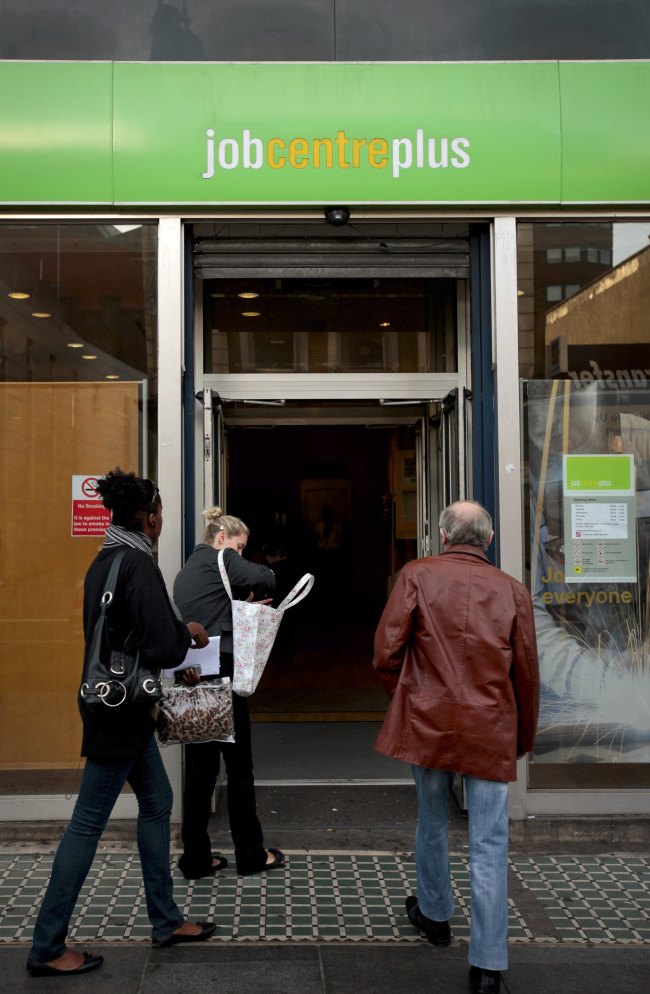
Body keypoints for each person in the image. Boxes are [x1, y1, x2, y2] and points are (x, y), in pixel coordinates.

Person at [26, 469, 216, 978]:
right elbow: (160, 642)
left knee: (157, 801)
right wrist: (188, 635)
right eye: (160, 514)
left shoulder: (106, 559)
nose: (161, 521)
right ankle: (46, 946)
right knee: (88, 822)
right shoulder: (137, 562)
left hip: (115, 704)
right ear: (150, 517)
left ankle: (166, 921)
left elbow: (125, 636)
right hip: (121, 714)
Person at [373, 501, 539, 994]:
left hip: (429, 720)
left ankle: (435, 914)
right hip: (490, 727)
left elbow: (386, 654)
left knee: (432, 819)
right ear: (487, 540)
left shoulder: (417, 574)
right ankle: (488, 966)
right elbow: (526, 676)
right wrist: (521, 736)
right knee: (490, 842)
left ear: (444, 537)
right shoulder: (513, 590)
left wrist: (410, 697)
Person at [173, 506, 285, 878]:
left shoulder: (185, 573)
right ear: (222, 539)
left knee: (201, 772)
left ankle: (196, 859)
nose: (238, 556)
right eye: (238, 548)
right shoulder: (220, 557)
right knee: (239, 768)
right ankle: (251, 854)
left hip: (196, 677)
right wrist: (262, 570)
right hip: (224, 675)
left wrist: (240, 606)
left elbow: (211, 610)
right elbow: (264, 577)